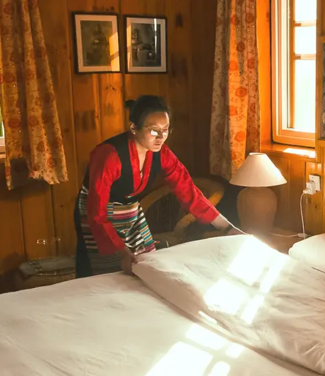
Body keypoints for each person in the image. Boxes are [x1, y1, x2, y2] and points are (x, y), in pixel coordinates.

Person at [74, 95, 240, 278]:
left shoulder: (162, 154)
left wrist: (226, 227)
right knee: (109, 270)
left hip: (130, 209)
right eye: (154, 130)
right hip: (97, 211)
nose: (161, 137)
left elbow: (188, 191)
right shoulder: (109, 156)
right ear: (133, 128)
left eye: (166, 130)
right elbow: (97, 211)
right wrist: (121, 252)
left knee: (146, 262)